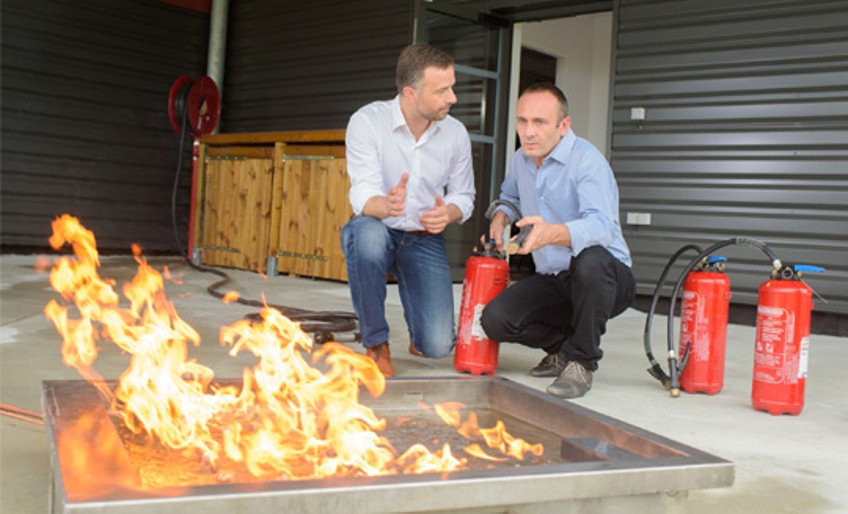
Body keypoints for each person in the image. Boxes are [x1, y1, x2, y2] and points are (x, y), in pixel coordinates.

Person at [480, 83, 635, 399]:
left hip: (606, 279)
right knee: (495, 320)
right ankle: (562, 349)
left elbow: (601, 226)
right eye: (522, 121)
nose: (528, 131)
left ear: (564, 126)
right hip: (554, 278)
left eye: (539, 122)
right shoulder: (520, 159)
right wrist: (501, 216)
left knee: (589, 258)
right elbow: (510, 196)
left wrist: (552, 232)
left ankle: (582, 362)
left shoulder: (587, 162)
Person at [341, 44, 476, 377]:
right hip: (377, 227)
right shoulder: (367, 122)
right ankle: (376, 344)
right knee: (367, 237)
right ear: (410, 93)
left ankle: (420, 327)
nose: (453, 98)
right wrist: (385, 205)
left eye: (452, 87)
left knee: (437, 346)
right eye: (442, 90)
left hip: (422, 238)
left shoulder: (456, 133)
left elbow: (465, 194)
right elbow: (361, 194)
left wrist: (451, 213)